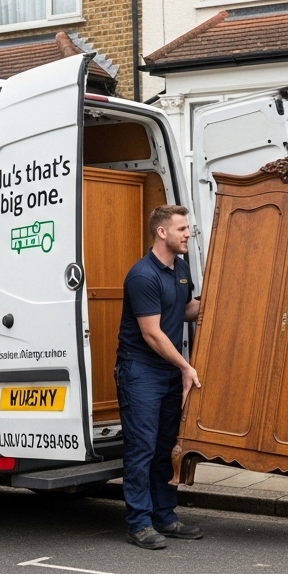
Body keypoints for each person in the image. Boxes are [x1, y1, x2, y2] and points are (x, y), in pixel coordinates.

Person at [115, 205, 202, 549]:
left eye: (187, 228)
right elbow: (152, 333)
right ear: (162, 232)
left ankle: (165, 516)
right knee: (142, 447)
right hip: (141, 371)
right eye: (181, 229)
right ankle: (139, 521)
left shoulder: (179, 268)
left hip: (167, 368)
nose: (187, 234)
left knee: (167, 447)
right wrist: (186, 366)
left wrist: (216, 300)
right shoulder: (142, 275)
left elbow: (182, 311)